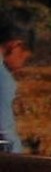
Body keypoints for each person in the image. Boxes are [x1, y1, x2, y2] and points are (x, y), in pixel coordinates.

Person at [0, 11, 33, 151]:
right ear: (16, 46)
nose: (22, 65)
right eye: (25, 58)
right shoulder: (3, 80)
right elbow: (5, 135)